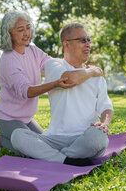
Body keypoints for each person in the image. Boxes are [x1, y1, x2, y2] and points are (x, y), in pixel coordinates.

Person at [0, 11, 103, 156]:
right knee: (30, 151)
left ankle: (5, 140)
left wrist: (80, 69)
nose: (26, 33)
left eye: (28, 27)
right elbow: (27, 92)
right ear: (9, 33)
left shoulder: (33, 51)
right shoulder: (8, 59)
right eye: (20, 30)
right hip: (7, 118)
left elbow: (53, 64)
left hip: (27, 118)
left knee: (46, 144)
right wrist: (56, 84)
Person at [10, 23, 113, 166]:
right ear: (66, 44)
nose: (88, 44)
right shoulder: (54, 65)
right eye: (83, 40)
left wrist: (105, 123)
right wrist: (91, 72)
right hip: (54, 138)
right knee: (17, 135)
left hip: (84, 137)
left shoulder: (97, 78)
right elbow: (69, 79)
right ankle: (68, 160)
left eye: (89, 40)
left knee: (99, 138)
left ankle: (57, 157)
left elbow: (106, 106)